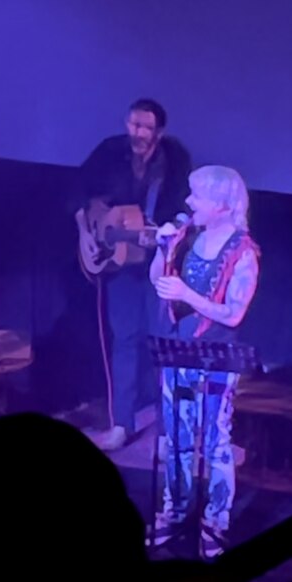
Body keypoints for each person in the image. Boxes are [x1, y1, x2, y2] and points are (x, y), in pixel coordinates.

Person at [149, 165, 260, 559]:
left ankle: (216, 521)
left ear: (222, 204)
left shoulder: (242, 251)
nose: (189, 202)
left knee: (215, 441)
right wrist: (164, 250)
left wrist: (189, 295)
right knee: (177, 439)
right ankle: (174, 511)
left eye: (197, 196)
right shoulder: (187, 236)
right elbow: (160, 282)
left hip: (215, 358)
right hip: (177, 352)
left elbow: (233, 313)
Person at [75, 98, 193, 451]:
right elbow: (77, 193)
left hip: (158, 263)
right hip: (119, 268)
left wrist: (171, 229)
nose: (136, 133)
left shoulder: (175, 159)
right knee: (124, 341)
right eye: (132, 124)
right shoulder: (110, 151)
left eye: (144, 127)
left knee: (161, 344)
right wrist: (86, 229)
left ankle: (166, 428)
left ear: (159, 131)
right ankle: (121, 424)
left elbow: (184, 209)